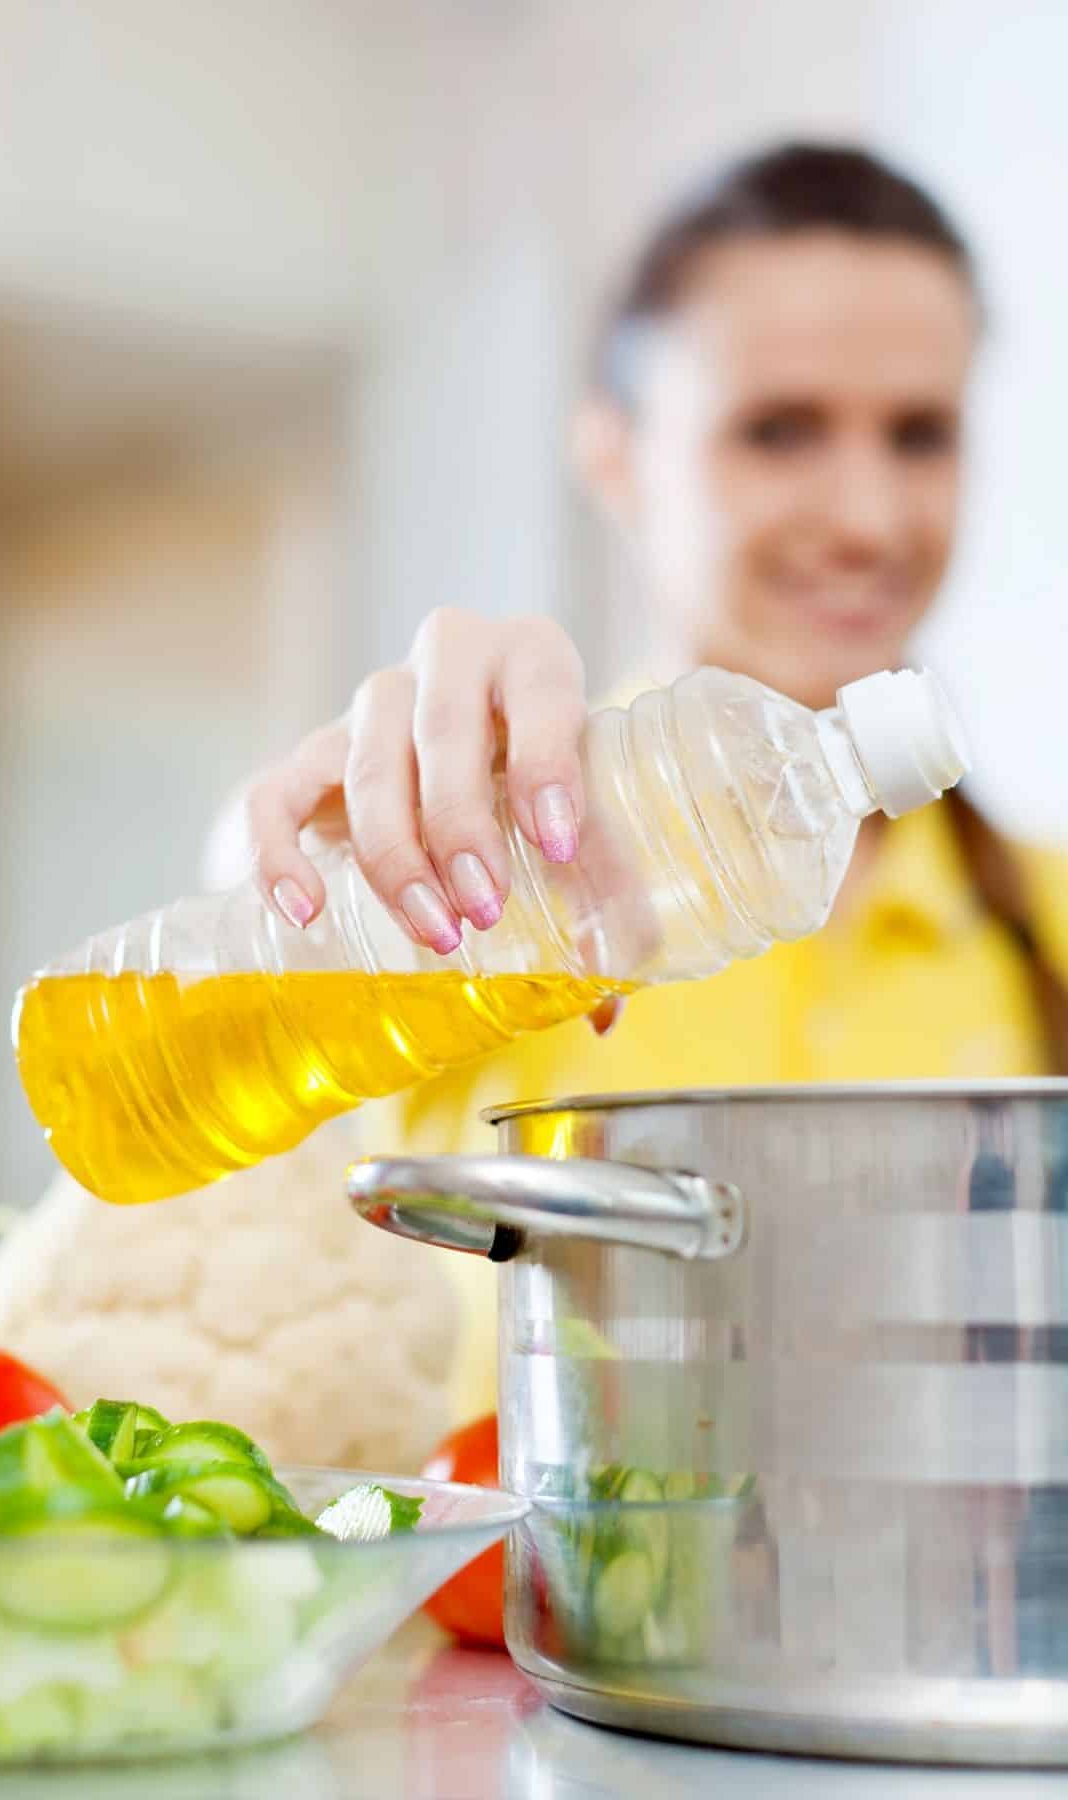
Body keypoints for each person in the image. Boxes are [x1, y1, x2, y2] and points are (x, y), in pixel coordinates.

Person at [221, 143, 1068, 1420]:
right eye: (778, 430)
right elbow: (227, 956)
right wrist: (330, 836)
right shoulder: (480, 873)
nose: (869, 517)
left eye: (919, 435)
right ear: (617, 460)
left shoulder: (1047, 922)